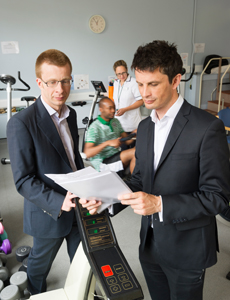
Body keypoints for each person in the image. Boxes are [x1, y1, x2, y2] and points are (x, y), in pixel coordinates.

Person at [80, 40, 230, 300]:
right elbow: (139, 180)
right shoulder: (146, 127)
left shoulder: (207, 128)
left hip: (187, 248)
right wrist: (106, 198)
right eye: (140, 84)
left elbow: (217, 197)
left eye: (153, 84)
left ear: (175, 80)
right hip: (149, 243)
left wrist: (160, 204)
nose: (144, 94)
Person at [7, 49, 84, 295]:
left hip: (78, 204)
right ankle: (35, 293)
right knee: (39, 267)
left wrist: (88, 183)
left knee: (83, 260)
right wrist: (59, 201)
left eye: (65, 80)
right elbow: (23, 181)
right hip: (49, 211)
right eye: (52, 82)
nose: (60, 89)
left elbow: (73, 158)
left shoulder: (70, 115)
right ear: (40, 82)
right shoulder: (21, 123)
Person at [84, 97, 136, 174]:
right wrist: (107, 143)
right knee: (135, 152)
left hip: (115, 156)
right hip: (103, 163)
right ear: (101, 109)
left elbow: (127, 141)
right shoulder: (94, 127)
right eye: (110, 108)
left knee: (140, 150)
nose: (113, 111)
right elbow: (87, 153)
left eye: (114, 108)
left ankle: (129, 178)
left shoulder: (115, 121)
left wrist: (134, 133)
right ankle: (135, 182)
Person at [113, 60, 143, 136]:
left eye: (123, 73)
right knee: (123, 147)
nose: (122, 76)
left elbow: (141, 101)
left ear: (127, 70)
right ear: (115, 73)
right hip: (119, 124)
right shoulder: (116, 83)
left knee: (133, 147)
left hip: (132, 124)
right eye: (118, 74)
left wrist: (125, 109)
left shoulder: (134, 83)